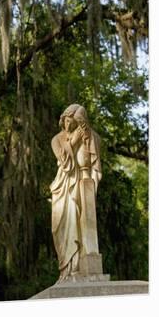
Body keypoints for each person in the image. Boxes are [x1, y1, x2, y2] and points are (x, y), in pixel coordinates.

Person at [50, 104, 102, 282]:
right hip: (64, 186)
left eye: (73, 121)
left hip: (81, 182)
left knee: (81, 222)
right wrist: (74, 141)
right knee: (62, 227)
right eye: (66, 120)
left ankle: (78, 266)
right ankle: (67, 266)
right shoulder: (56, 139)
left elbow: (92, 155)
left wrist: (86, 137)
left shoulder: (88, 135)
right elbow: (63, 160)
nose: (68, 124)